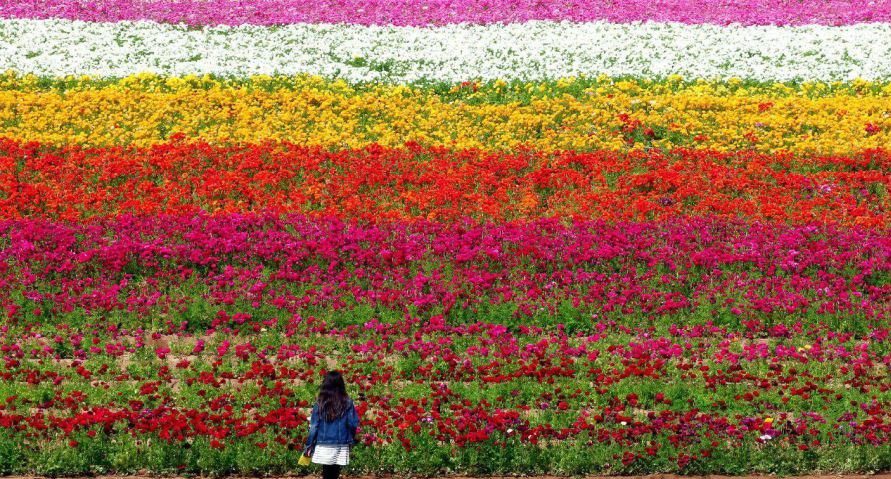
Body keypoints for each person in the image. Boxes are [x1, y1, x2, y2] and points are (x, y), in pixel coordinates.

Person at [304, 371, 360, 479]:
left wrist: (309, 445)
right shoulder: (347, 402)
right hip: (341, 442)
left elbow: (314, 426)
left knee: (326, 472)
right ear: (341, 384)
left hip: (323, 443)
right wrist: (350, 439)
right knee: (335, 472)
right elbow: (353, 424)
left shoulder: (320, 403)